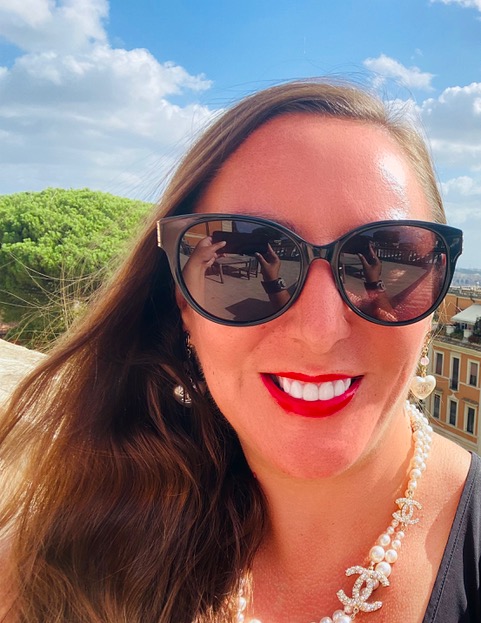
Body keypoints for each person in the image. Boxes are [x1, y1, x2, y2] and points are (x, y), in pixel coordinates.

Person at [0, 80, 477, 623]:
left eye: (387, 260)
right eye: (246, 260)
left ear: (435, 302)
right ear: (182, 303)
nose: (320, 331)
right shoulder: (56, 564)